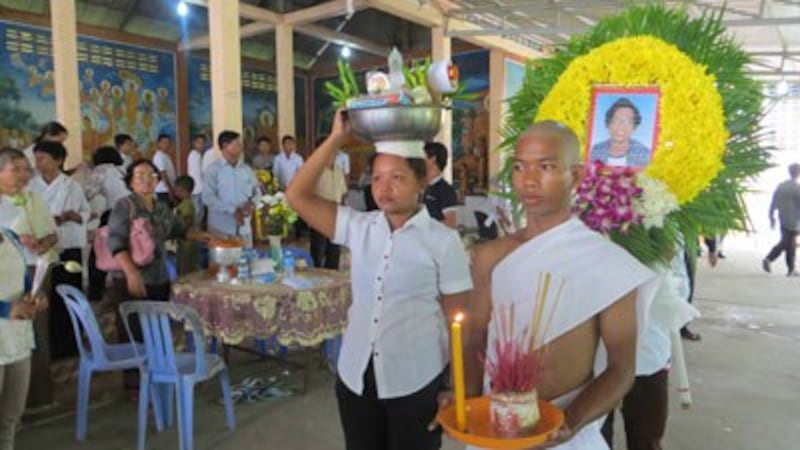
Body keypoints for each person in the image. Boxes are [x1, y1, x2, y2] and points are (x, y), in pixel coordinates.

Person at [461, 121, 657, 450]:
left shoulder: (607, 263)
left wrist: (570, 423)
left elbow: (622, 368)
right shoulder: (489, 257)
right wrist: (461, 395)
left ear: (577, 177)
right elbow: (475, 339)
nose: (529, 180)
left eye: (547, 166)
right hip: (496, 430)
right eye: (520, 167)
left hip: (569, 437)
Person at [287, 110, 473, 450]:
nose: (383, 189)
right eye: (376, 178)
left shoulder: (443, 242)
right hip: (355, 376)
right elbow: (297, 196)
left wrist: (455, 387)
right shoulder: (359, 227)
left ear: (421, 182)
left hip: (416, 381)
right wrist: (336, 139)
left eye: (398, 178)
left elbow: (460, 320)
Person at [107, 159, 209, 394]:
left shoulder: (161, 206)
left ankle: (157, 377)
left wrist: (202, 236)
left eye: (152, 175)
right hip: (131, 278)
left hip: (158, 276)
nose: (147, 180)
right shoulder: (125, 206)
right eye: (140, 175)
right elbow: (116, 242)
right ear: (131, 181)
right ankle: (135, 385)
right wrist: (132, 274)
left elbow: (178, 230)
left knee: (156, 328)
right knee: (134, 332)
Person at [602, 247, 693, 450]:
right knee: (595, 436)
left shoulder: (665, 230)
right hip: (601, 357)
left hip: (647, 354)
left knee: (645, 437)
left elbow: (679, 291)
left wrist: (656, 275)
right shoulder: (585, 226)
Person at [29, 141, 89, 360]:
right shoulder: (31, 185)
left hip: (67, 246)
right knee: (44, 296)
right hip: (39, 248)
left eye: (43, 158)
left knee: (68, 295)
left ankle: (68, 345)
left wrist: (72, 216)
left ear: (58, 161)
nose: (38, 163)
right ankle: (46, 347)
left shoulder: (71, 185)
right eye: (36, 158)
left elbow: (85, 212)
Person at [0, 221, 48, 450]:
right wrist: (6, 309)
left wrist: (35, 296)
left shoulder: (9, 236)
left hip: (16, 338)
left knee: (11, 416)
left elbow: (24, 282)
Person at [85, 146, 128, 302]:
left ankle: (96, 294)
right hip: (132, 214)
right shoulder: (123, 170)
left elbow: (87, 193)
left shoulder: (101, 170)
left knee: (98, 253)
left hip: (113, 214)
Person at [203, 131, 259, 247]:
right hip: (220, 229)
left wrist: (252, 203)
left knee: (245, 261)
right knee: (222, 264)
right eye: (237, 144)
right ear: (225, 146)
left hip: (244, 228)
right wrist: (233, 210)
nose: (241, 147)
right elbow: (208, 198)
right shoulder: (213, 170)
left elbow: (257, 191)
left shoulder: (246, 169)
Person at [309, 136, 348, 270]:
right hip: (319, 214)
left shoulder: (338, 169)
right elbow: (309, 195)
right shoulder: (313, 170)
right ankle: (317, 275)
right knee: (318, 249)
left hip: (336, 215)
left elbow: (342, 193)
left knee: (334, 248)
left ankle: (333, 274)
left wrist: (342, 211)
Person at [590, 98, 652, 168]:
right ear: (608, 124)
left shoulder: (644, 154)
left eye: (628, 122)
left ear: (634, 128)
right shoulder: (596, 150)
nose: (621, 126)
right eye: (616, 120)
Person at [763, 163, 800, 277]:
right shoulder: (797, 188)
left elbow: (773, 202)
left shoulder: (781, 186)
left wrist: (771, 216)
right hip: (794, 220)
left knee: (790, 244)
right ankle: (769, 258)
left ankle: (791, 269)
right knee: (787, 243)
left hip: (783, 218)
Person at [423, 142, 459, 229]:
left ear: (433, 159)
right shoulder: (424, 187)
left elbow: (451, 224)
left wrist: (424, 226)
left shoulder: (446, 191)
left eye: (423, 157)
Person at [173, 175, 199, 275]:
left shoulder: (187, 204)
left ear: (183, 191)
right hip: (184, 241)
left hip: (187, 243)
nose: (175, 192)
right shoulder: (186, 203)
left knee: (185, 268)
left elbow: (187, 221)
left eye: (177, 190)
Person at [186, 134, 206, 227]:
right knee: (197, 212)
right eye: (199, 142)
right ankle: (195, 231)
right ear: (194, 143)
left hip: (199, 188)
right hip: (196, 189)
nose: (201, 145)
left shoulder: (198, 155)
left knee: (200, 212)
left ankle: (197, 230)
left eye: (203, 142)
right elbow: (201, 172)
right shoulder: (194, 155)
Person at [151, 134, 177, 205]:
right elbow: (163, 175)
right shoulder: (158, 156)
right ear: (159, 143)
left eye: (168, 142)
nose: (167, 145)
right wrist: (170, 190)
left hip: (167, 189)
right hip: (163, 190)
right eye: (164, 142)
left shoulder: (165, 155)